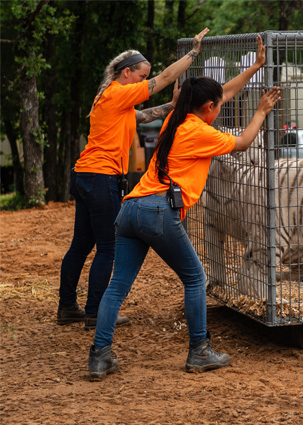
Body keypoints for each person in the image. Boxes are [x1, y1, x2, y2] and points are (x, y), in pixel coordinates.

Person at [87, 73, 281, 380]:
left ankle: (99, 356)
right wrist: (261, 111)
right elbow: (243, 143)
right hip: (159, 212)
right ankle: (199, 352)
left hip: (130, 208)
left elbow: (222, 94)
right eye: (218, 107)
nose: (220, 108)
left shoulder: (173, 123)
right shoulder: (201, 133)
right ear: (207, 108)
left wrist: (256, 66)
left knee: (117, 287)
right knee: (195, 278)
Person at [57, 29, 211, 330]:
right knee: (108, 247)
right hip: (101, 177)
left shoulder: (113, 99)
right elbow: (165, 78)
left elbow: (143, 116)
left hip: (86, 175)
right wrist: (193, 52)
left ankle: (67, 307)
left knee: (81, 244)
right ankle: (95, 313)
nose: (144, 82)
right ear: (126, 73)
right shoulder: (118, 92)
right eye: (141, 77)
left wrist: (173, 106)